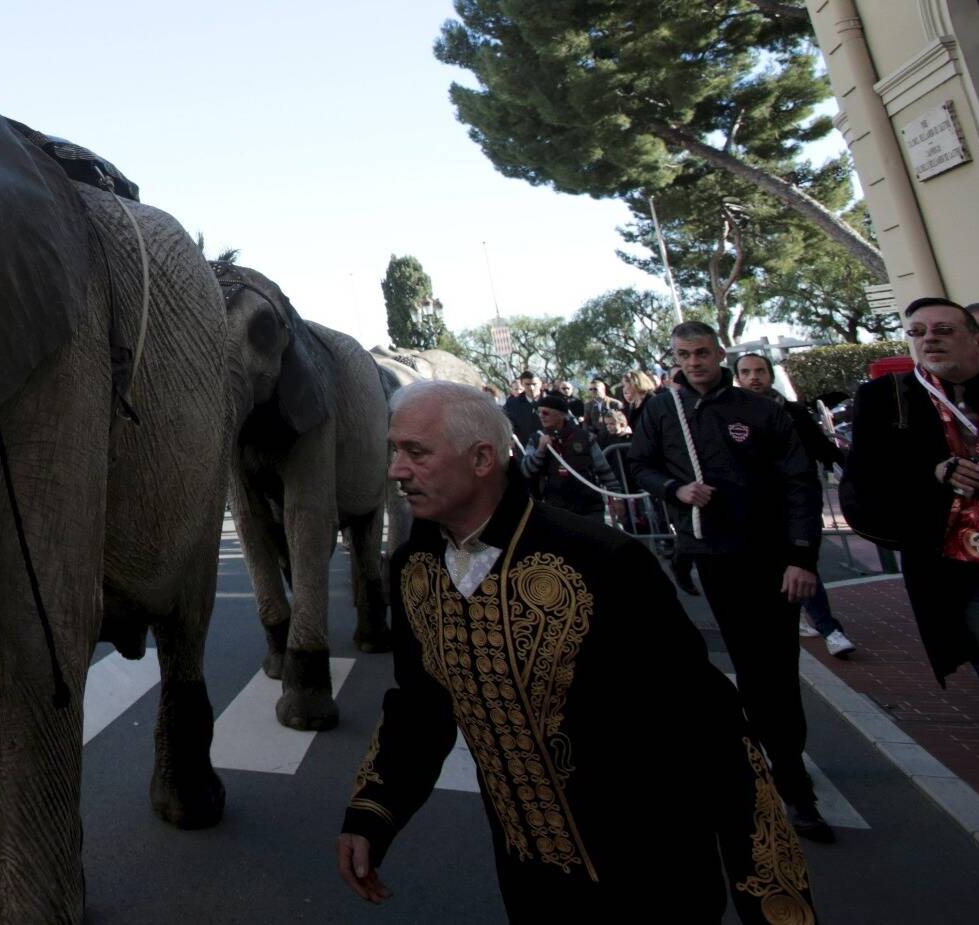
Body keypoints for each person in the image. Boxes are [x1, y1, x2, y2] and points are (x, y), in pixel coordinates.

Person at [336, 381, 816, 922]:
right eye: (395, 451)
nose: (397, 470)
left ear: (482, 459)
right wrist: (373, 815)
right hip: (527, 881)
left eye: (416, 453)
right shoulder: (413, 571)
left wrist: (772, 903)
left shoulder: (603, 562)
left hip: (655, 881)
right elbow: (421, 707)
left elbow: (714, 732)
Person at [626, 322, 832, 842]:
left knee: (778, 668)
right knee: (750, 665)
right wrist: (676, 489)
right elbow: (641, 465)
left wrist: (802, 557)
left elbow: (799, 483)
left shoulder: (762, 409)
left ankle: (792, 777)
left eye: (702, 353)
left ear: (720, 353)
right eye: (683, 354)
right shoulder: (661, 409)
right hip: (715, 557)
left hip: (773, 556)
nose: (694, 362)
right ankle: (774, 768)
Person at [845, 298, 979, 714]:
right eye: (917, 332)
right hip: (960, 569)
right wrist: (935, 473)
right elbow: (867, 480)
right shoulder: (885, 398)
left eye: (944, 330)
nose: (929, 339)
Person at [735, 354, 858, 659]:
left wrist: (854, 471)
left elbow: (821, 447)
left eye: (760, 371)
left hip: (797, 502)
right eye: (746, 372)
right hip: (755, 508)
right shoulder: (730, 416)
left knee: (802, 565)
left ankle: (830, 629)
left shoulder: (792, 413)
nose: (754, 378)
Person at [521, 391, 614, 521]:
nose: (541, 416)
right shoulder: (536, 439)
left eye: (546, 412)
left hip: (589, 506)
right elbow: (526, 470)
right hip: (555, 507)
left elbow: (604, 469)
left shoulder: (585, 437)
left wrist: (617, 498)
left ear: (562, 415)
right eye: (539, 412)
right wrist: (541, 450)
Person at [501, 372, 543, 456]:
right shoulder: (512, 404)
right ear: (522, 384)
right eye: (527, 384)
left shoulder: (552, 402)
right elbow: (506, 423)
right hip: (523, 450)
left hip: (550, 450)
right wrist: (510, 438)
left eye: (534, 384)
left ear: (540, 384)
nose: (531, 387)